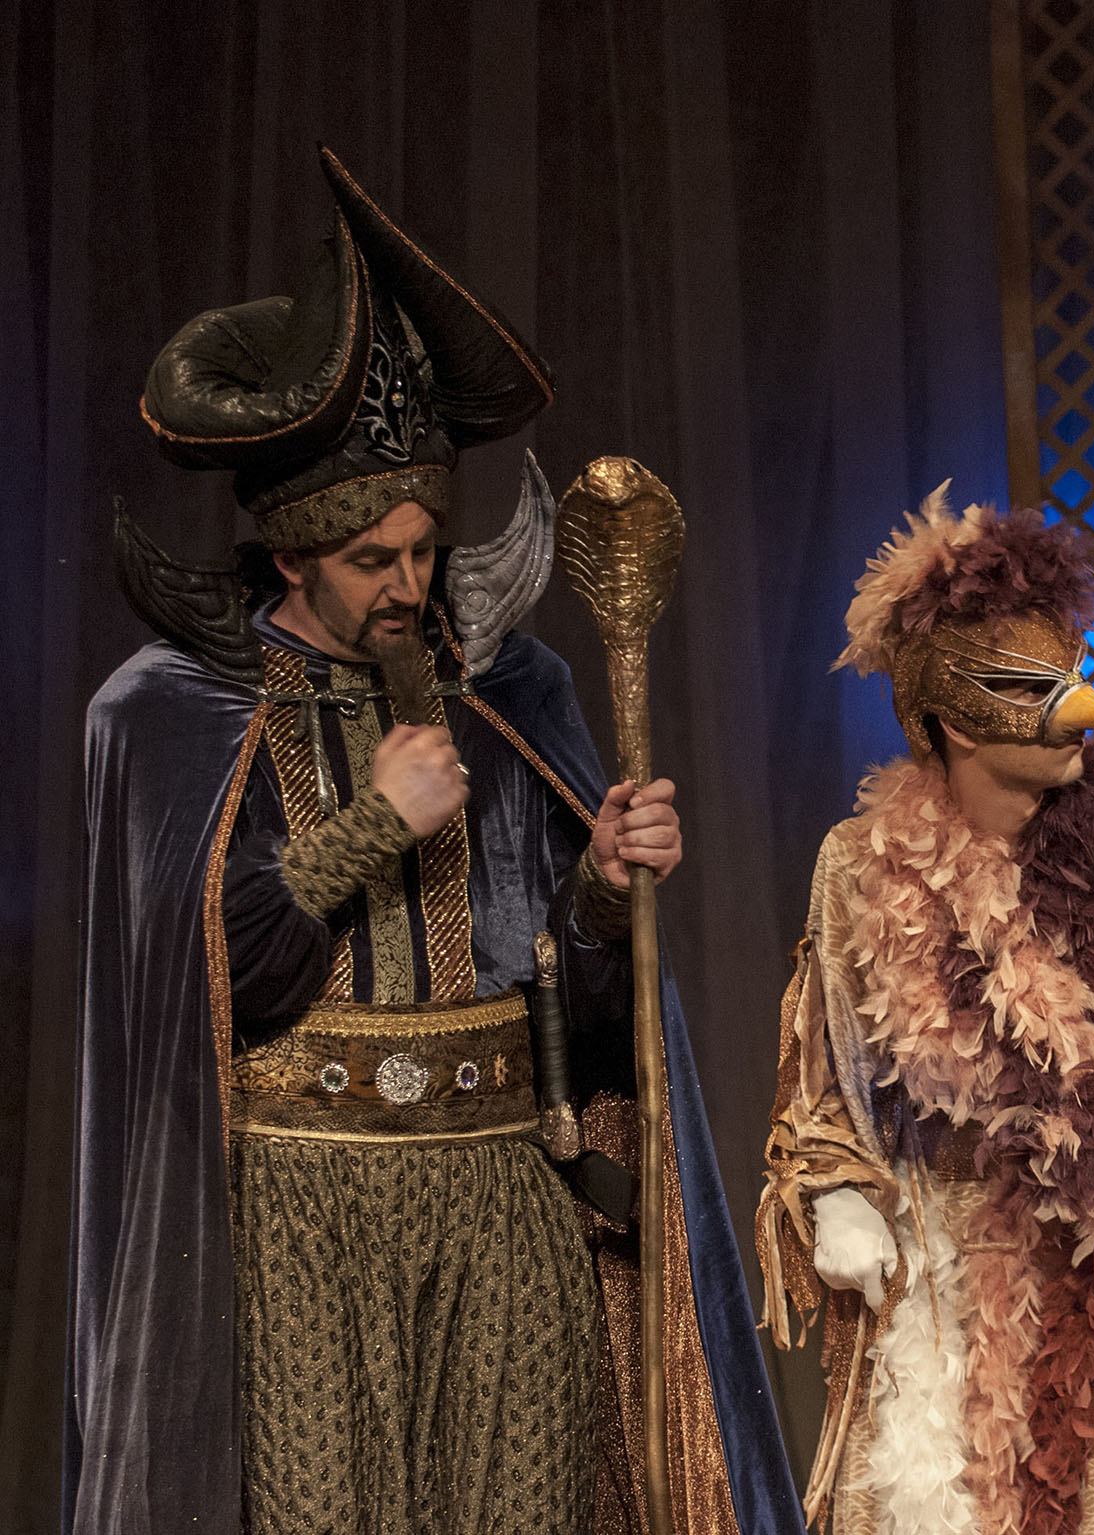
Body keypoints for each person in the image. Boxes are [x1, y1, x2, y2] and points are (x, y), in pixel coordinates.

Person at [72, 147, 801, 1535]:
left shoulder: (509, 691)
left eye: (423, 549)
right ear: (293, 553)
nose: (409, 583)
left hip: (500, 1188)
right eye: (373, 560)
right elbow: (201, 983)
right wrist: (368, 826)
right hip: (303, 1208)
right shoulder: (172, 711)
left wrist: (603, 888)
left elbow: (572, 993)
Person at [757, 487, 1094, 1535]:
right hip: (933, 1249)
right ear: (952, 718)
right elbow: (818, 1076)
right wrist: (835, 1193)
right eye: (1025, 688)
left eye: (1069, 675)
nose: (1073, 709)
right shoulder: (857, 862)